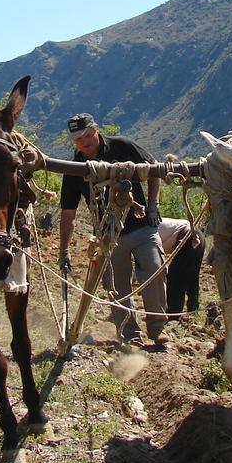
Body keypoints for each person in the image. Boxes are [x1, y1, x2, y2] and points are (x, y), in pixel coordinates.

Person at [57, 113, 168, 346]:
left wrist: (153, 206)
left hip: (141, 225)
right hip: (108, 234)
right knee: (117, 286)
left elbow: (154, 169)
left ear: (96, 130)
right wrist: (63, 250)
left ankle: (158, 328)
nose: (85, 142)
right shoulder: (73, 168)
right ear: (73, 142)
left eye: (88, 135)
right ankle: (130, 335)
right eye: (78, 139)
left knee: (154, 268)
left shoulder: (123, 146)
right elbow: (68, 213)